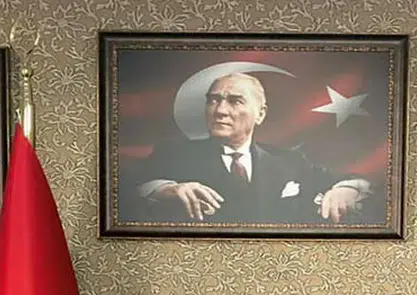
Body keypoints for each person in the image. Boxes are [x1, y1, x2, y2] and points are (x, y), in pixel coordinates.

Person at [131, 73, 372, 225]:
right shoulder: (174, 155)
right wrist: (167, 190)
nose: (220, 110)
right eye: (213, 100)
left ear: (261, 114)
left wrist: (346, 190)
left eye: (235, 101)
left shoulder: (289, 161)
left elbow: (354, 181)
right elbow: (129, 190)